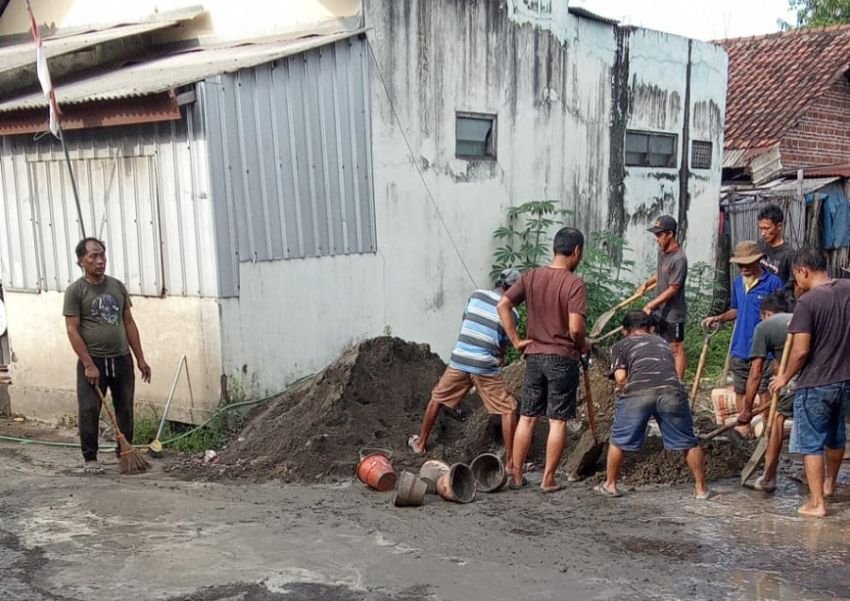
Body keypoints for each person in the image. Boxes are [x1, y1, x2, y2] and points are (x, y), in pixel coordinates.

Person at [497, 227, 588, 493]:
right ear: (577, 251)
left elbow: (503, 304)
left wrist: (515, 339)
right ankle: (548, 479)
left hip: (534, 356)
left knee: (527, 417)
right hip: (561, 358)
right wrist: (584, 345)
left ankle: (515, 474)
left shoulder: (532, 276)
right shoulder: (574, 284)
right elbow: (575, 329)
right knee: (557, 420)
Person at [408, 269, 521, 473]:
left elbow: (466, 322)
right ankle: (511, 464)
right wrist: (497, 359)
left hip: (460, 358)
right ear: (511, 289)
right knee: (509, 409)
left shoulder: (476, 295)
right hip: (484, 364)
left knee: (437, 398)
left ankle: (420, 444)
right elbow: (502, 347)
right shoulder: (512, 313)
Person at [769, 246, 850, 517]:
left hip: (816, 381)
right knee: (836, 434)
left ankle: (817, 503)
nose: (797, 283)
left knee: (810, 442)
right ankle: (829, 485)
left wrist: (784, 377)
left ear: (803, 271)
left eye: (796, 277)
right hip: (845, 379)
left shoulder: (808, 302)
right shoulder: (848, 288)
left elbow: (801, 350)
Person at [597, 311, 709, 499]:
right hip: (672, 392)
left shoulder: (620, 346)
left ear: (625, 331)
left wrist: (624, 390)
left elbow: (621, 378)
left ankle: (610, 485)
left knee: (619, 439)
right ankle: (701, 489)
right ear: (650, 329)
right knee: (688, 441)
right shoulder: (663, 343)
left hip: (639, 393)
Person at [64, 238, 151, 474]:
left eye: (102, 255)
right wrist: (88, 364)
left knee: (125, 408)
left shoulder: (117, 286)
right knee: (89, 409)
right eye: (93, 256)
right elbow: (72, 330)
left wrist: (140, 358)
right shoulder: (75, 291)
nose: (100, 261)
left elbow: (129, 322)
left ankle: (124, 453)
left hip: (121, 358)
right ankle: (90, 458)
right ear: (81, 260)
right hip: (93, 361)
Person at [703, 240, 783, 436]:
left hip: (766, 346)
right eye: (740, 265)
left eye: (748, 264)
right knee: (740, 388)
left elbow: (781, 314)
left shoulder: (773, 283)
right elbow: (736, 310)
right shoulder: (738, 283)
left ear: (758, 261)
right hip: (741, 344)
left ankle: (766, 429)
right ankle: (744, 427)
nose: (744, 268)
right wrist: (718, 318)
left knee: (764, 388)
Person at [737, 291, 795, 492]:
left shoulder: (764, 327)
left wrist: (746, 409)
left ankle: (769, 477)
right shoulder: (799, 318)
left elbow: (755, 373)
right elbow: (781, 362)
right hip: (823, 377)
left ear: (765, 314)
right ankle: (824, 480)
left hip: (797, 380)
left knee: (776, 419)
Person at [635, 215, 688, 379]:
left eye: (659, 235)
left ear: (670, 234)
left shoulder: (679, 259)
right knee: (659, 343)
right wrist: (646, 284)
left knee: (676, 347)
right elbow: (661, 273)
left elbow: (673, 289)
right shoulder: (663, 252)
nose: (657, 239)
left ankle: (677, 383)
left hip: (674, 312)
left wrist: (651, 304)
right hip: (660, 309)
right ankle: (662, 376)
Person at [757, 204, 796, 288]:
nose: (763, 233)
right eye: (761, 228)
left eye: (767, 228)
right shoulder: (760, 246)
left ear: (779, 226)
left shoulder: (789, 254)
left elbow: (792, 284)